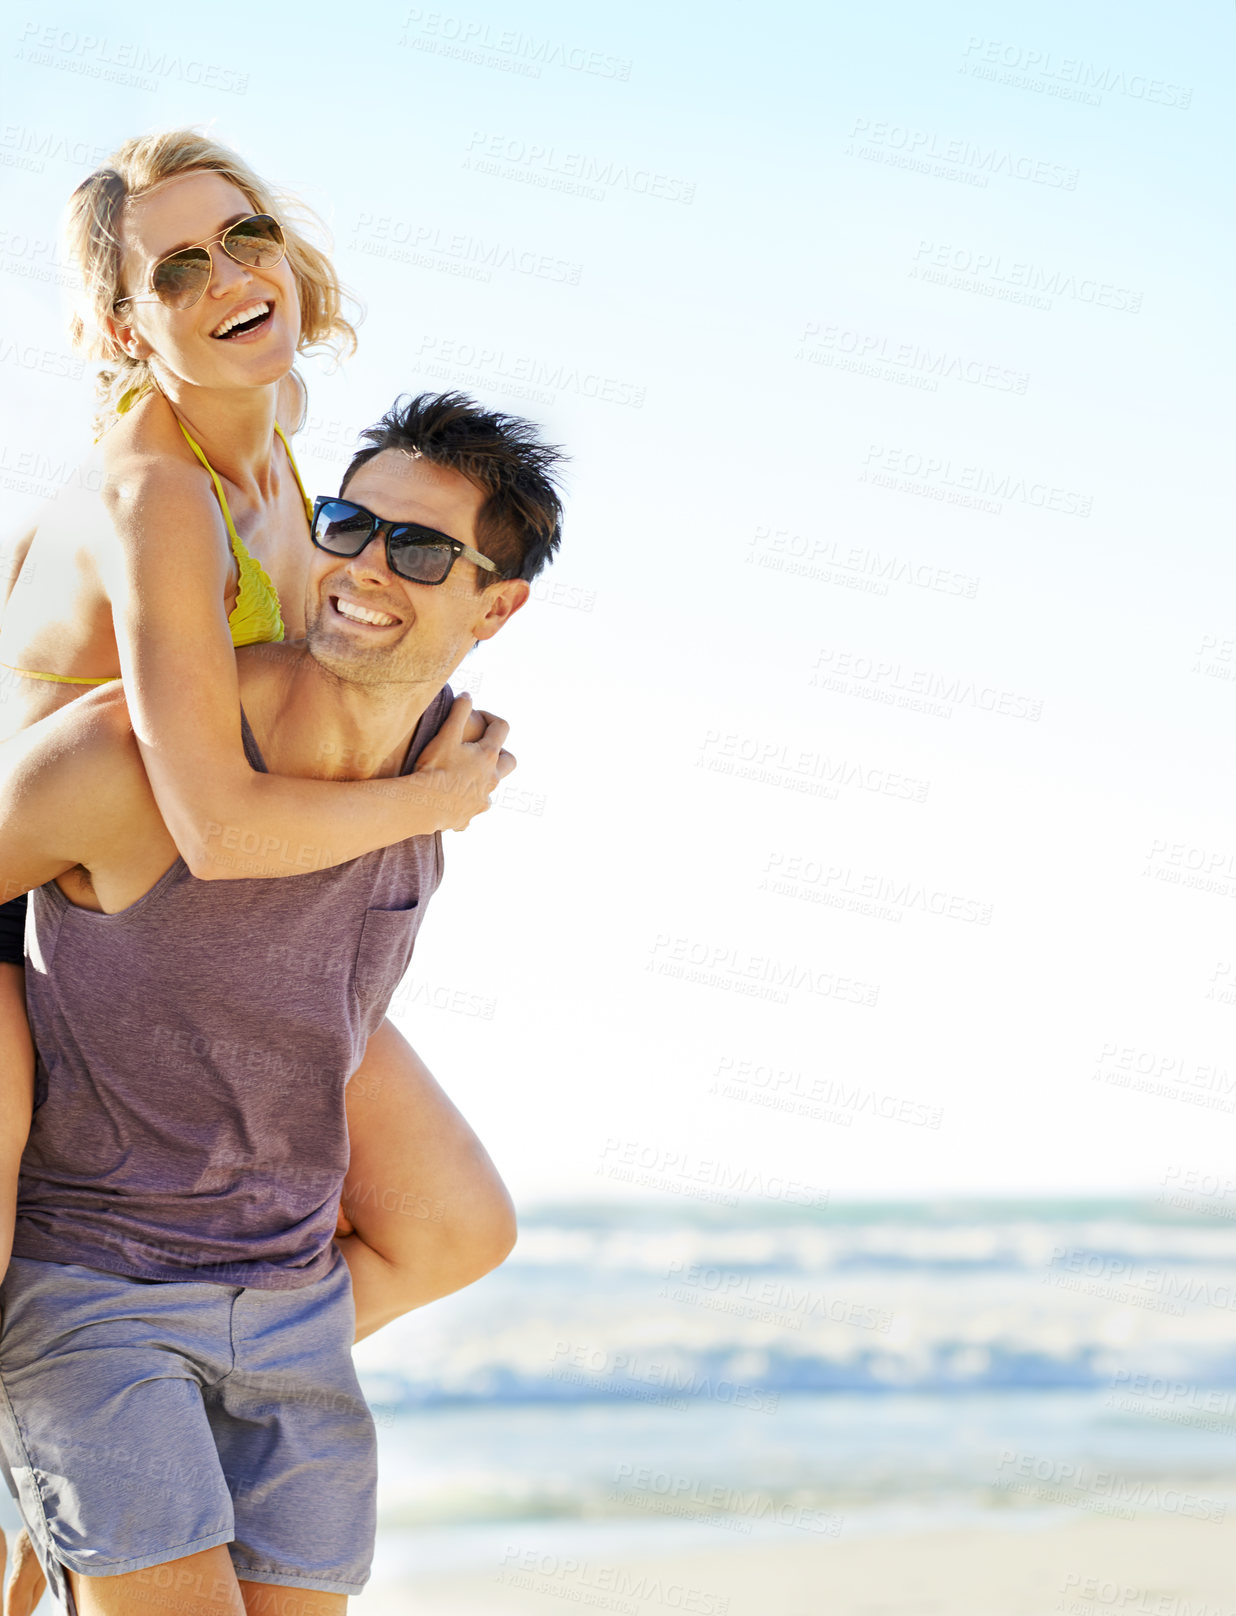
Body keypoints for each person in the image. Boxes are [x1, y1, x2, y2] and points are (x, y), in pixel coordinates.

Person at [0, 133, 521, 1610]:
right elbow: (218, 821)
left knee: (455, 1226)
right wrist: (438, 792)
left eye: (246, 236)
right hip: (39, 910)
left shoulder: (279, 423)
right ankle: (66, 1439)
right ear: (121, 330)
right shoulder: (153, 497)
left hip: (201, 942)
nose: (234, 277)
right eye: (179, 268)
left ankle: (127, 1416)